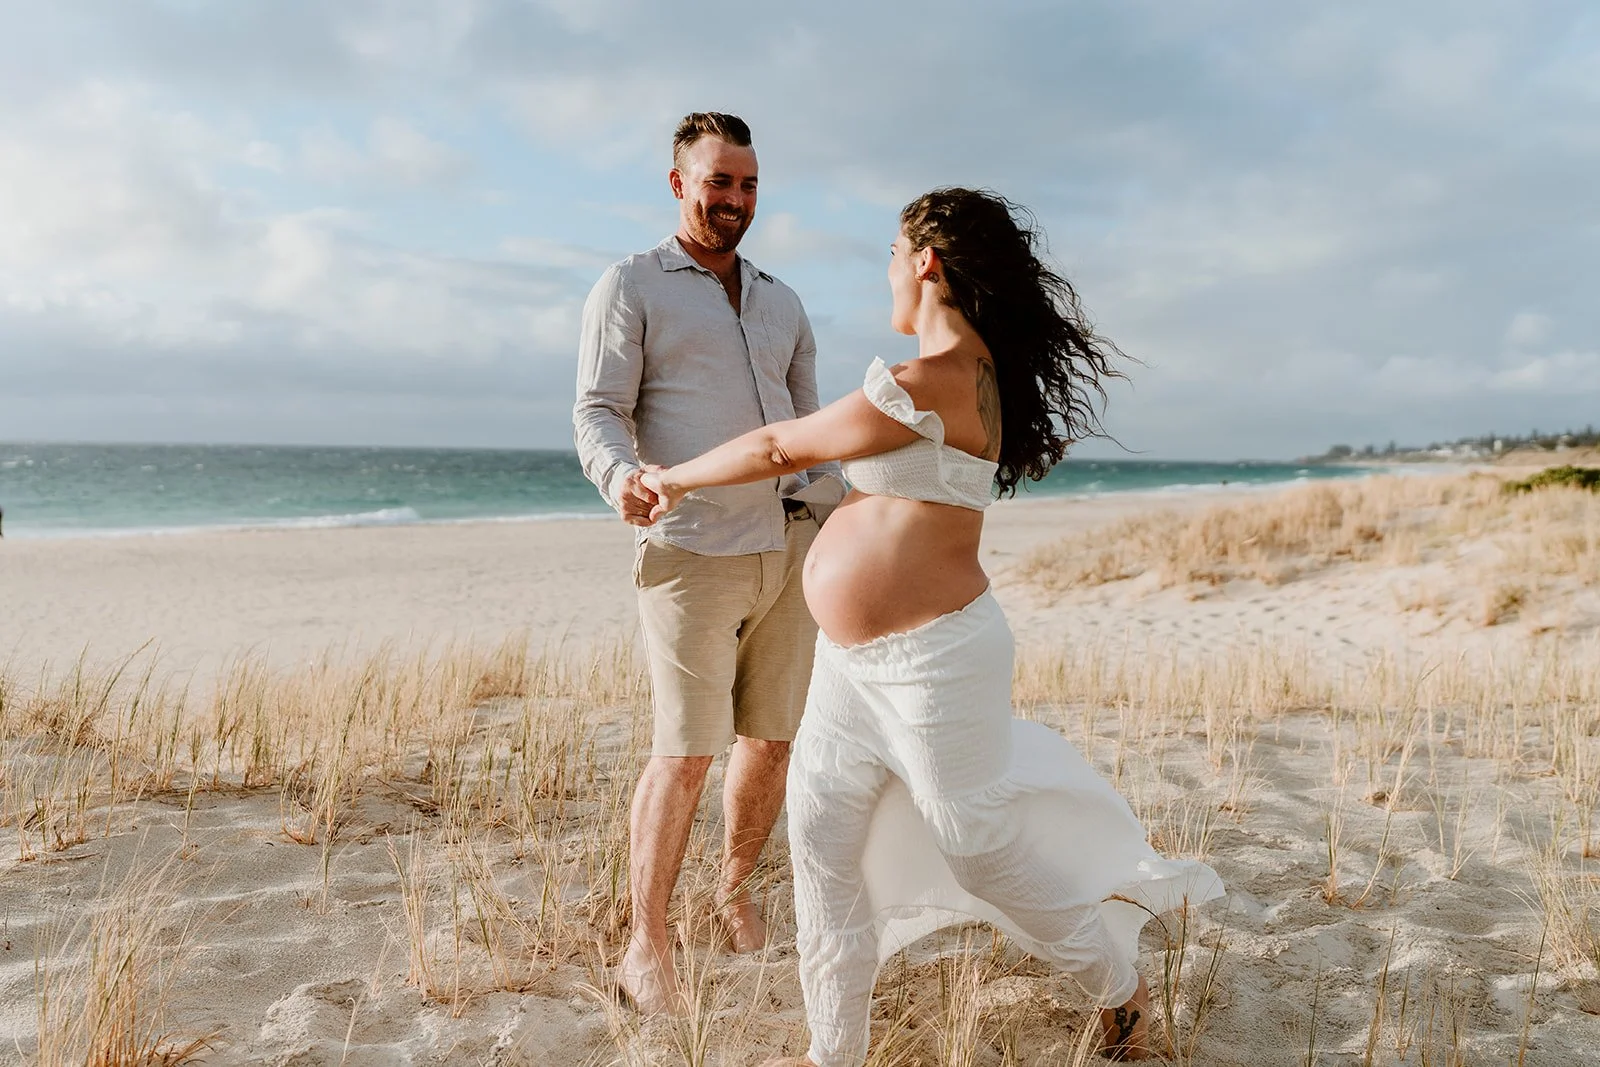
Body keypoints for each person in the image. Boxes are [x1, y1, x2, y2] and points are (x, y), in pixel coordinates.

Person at [640, 188, 1224, 1064]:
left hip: (933, 661)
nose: (884, 266)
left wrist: (674, 477)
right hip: (848, 666)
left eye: (890, 249)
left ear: (926, 262)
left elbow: (778, 448)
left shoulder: (932, 381)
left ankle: (1123, 992)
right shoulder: (968, 374)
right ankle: (832, 1052)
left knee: (978, 848)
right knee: (820, 842)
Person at [573, 112, 844, 1014]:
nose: (736, 199)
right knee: (685, 752)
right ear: (678, 183)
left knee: (770, 740)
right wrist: (622, 477)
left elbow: (810, 437)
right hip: (691, 551)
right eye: (719, 181)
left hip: (790, 549)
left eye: (750, 184)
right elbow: (598, 411)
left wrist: (841, 519)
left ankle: (733, 895)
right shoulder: (631, 285)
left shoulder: (784, 302)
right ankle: (644, 942)